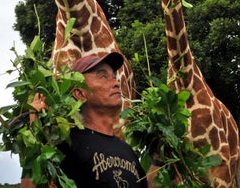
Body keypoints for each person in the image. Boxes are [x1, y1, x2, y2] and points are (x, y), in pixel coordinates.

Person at [22, 51, 158, 187]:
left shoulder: (127, 150)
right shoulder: (67, 146)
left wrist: (159, 159)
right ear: (80, 93)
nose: (116, 83)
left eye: (114, 77)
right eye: (103, 76)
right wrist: (35, 129)